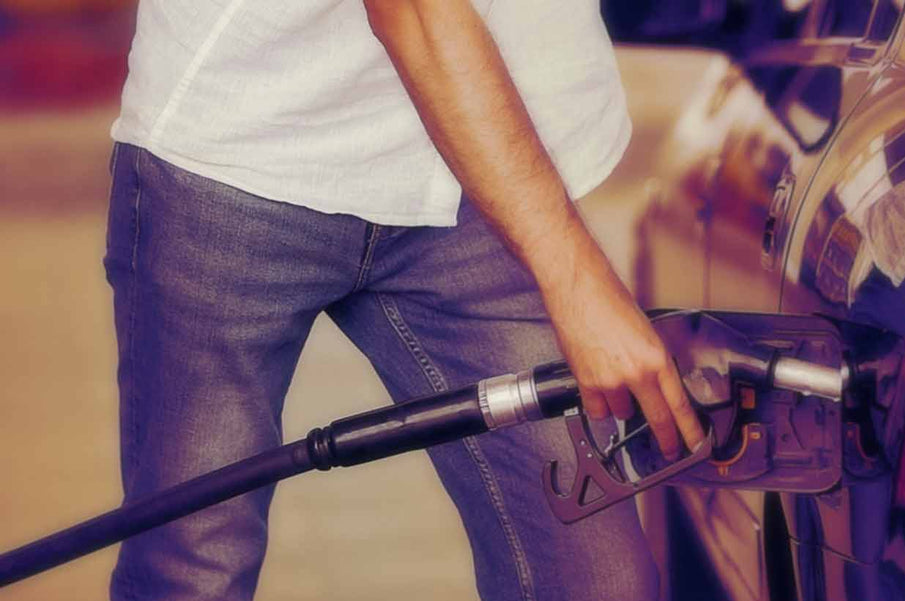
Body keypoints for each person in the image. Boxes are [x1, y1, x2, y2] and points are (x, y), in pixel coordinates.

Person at [104, 1, 705, 599]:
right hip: (243, 157)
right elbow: (416, 12)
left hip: (483, 170)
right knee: (191, 570)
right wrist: (577, 284)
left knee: (595, 580)